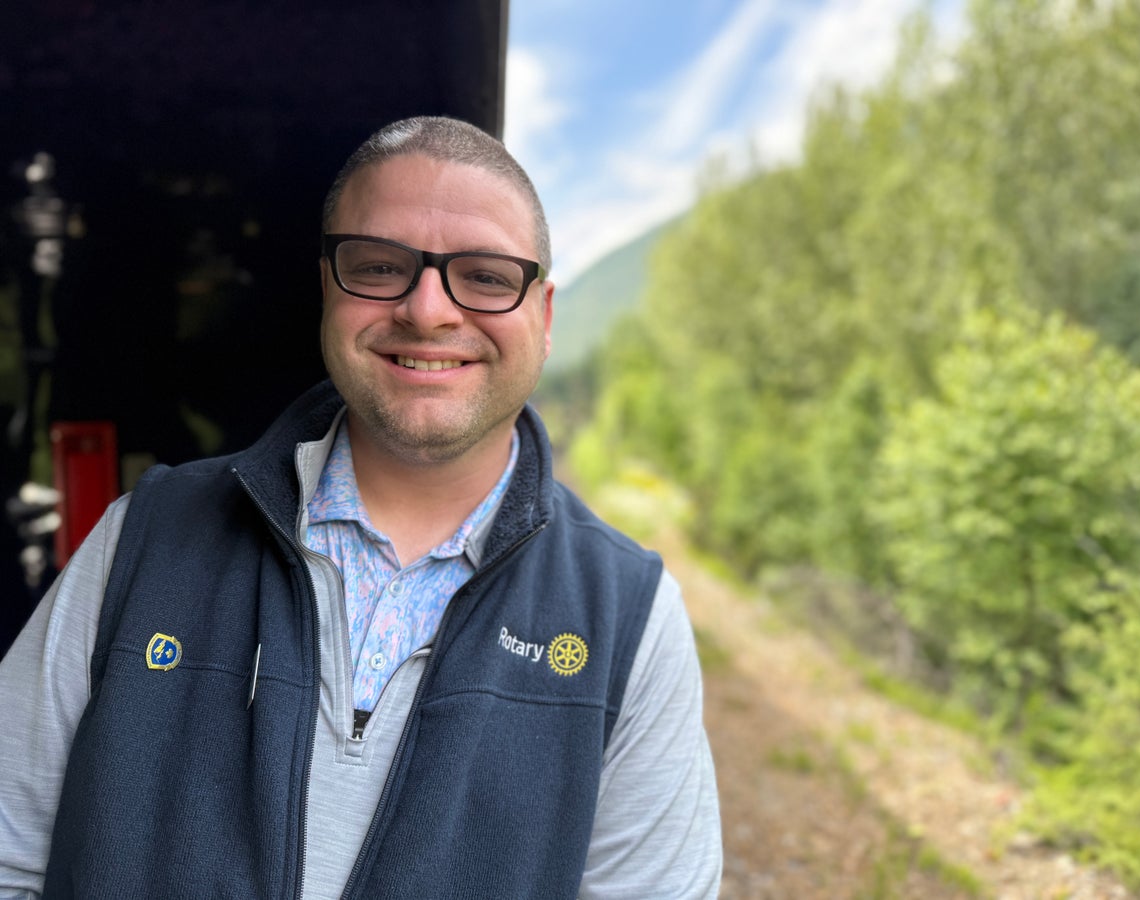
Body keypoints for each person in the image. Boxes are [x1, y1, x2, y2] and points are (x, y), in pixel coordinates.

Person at [0, 116, 722, 898]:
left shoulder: (630, 620)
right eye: (380, 266)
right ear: (327, 292)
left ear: (543, 319)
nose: (428, 309)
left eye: (484, 276)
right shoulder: (140, 539)